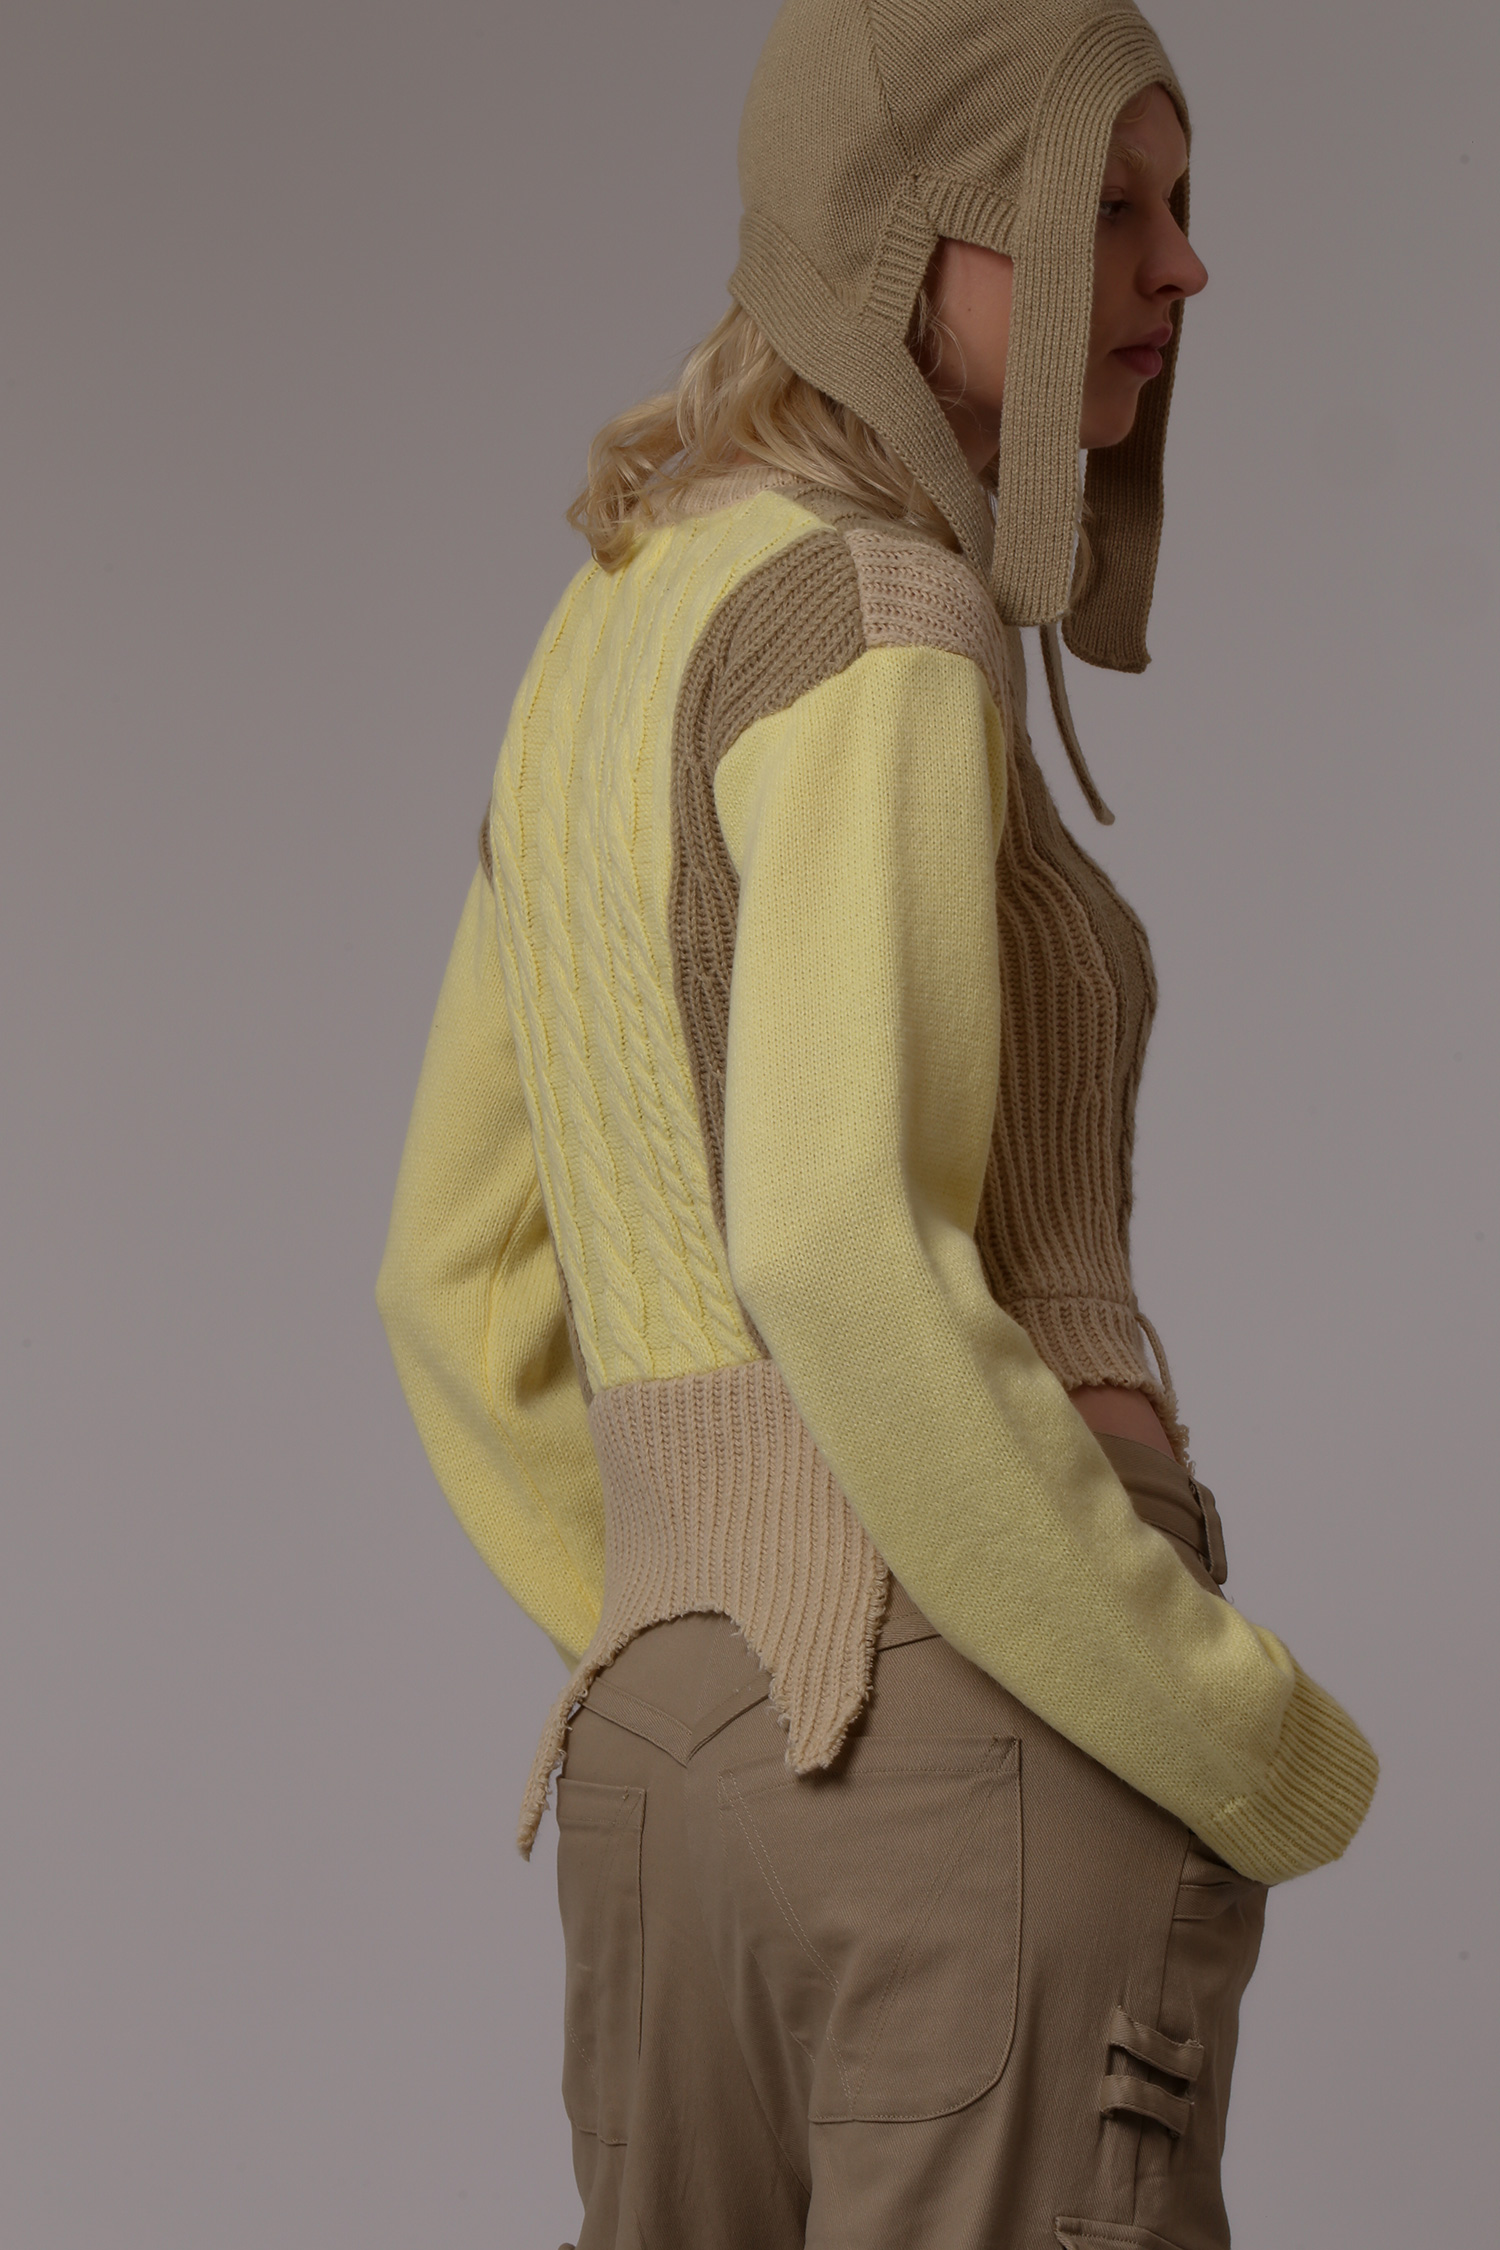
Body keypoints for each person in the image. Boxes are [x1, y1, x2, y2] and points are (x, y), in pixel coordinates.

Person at [376, 1, 1379, 2242]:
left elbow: (449, 1281)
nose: (1182, 266)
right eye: (1101, 204)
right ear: (908, 238)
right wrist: (1227, 1730)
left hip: (668, 1786)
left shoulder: (607, 627)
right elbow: (837, 1239)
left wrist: (705, 1635)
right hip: (988, 1737)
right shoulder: (882, 612)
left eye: (1181, 201)